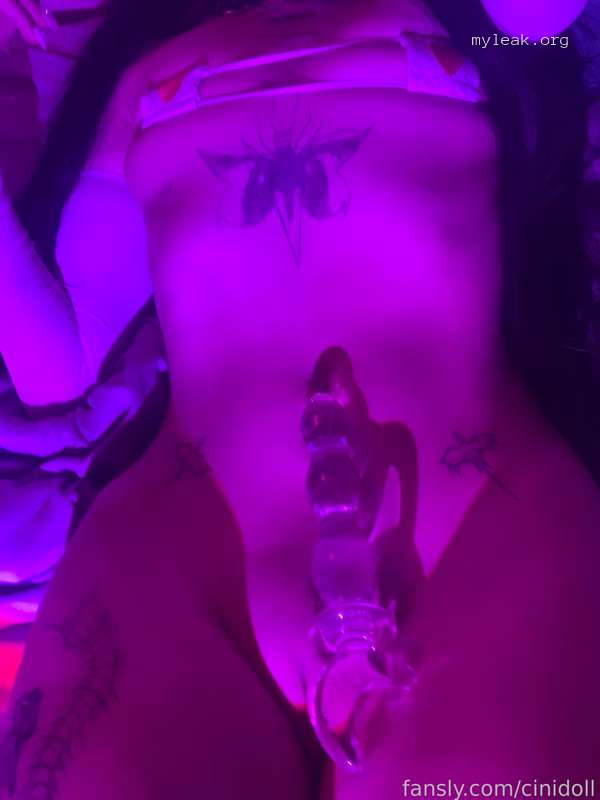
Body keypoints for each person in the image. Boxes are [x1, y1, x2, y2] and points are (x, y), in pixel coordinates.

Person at [1, 0, 600, 798]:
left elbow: (543, 25)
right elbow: (68, 362)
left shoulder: (481, 21)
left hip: (480, 526)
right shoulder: (136, 59)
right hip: (189, 550)